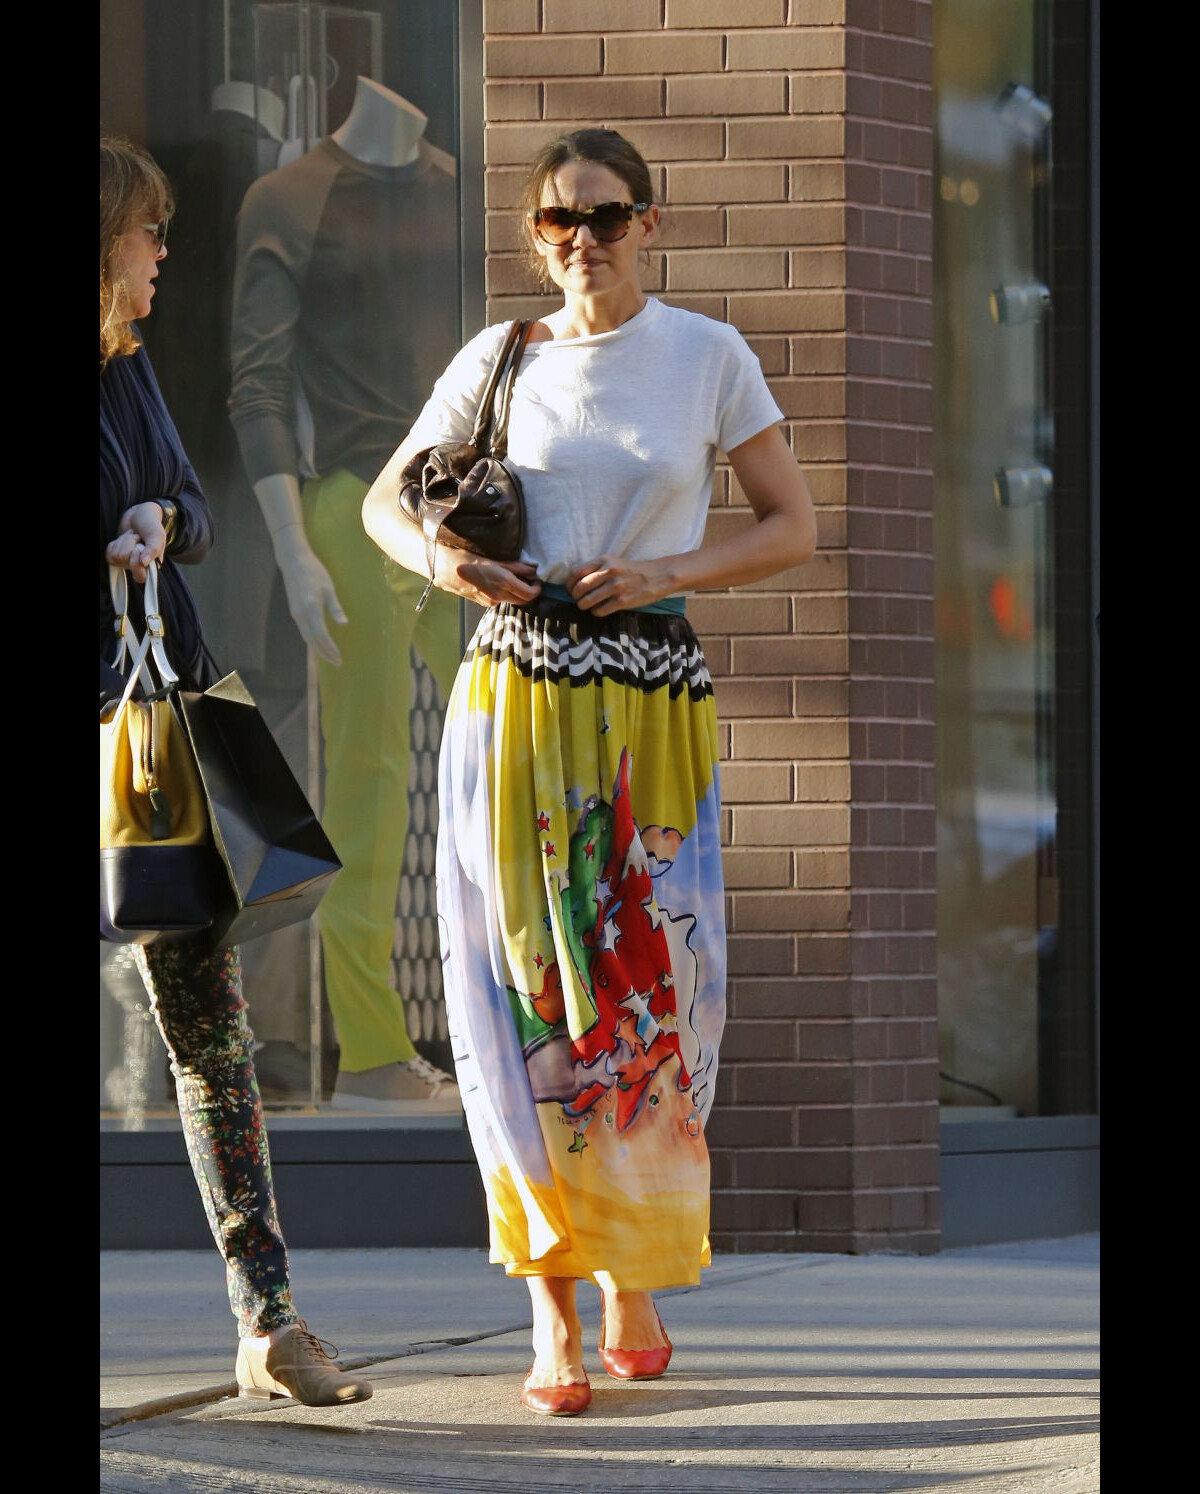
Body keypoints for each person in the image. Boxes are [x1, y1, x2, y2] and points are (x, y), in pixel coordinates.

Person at [362, 127, 818, 1415]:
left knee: (648, 990)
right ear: (534, 237)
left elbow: (795, 524)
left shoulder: (705, 355)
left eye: (607, 218)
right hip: (515, 695)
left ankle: (635, 1267)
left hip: (650, 706)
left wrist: (671, 569)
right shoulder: (498, 358)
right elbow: (385, 506)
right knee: (525, 988)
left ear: (651, 224)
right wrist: (449, 567)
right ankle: (551, 1310)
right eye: (558, 224)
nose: (583, 244)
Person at [100, 134, 372, 1407]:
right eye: (148, 234)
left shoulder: (130, 365)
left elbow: (196, 504)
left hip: (159, 732)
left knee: (212, 1032)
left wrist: (163, 523)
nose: (164, 255)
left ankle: (267, 1323)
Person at [227, 76, 464, 1112]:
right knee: (370, 776)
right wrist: (291, 548)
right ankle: (370, 1049)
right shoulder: (291, 194)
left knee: (512, 757)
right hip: (357, 514)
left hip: (471, 516)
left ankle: (534, 1024)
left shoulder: (470, 189)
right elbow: (260, 382)